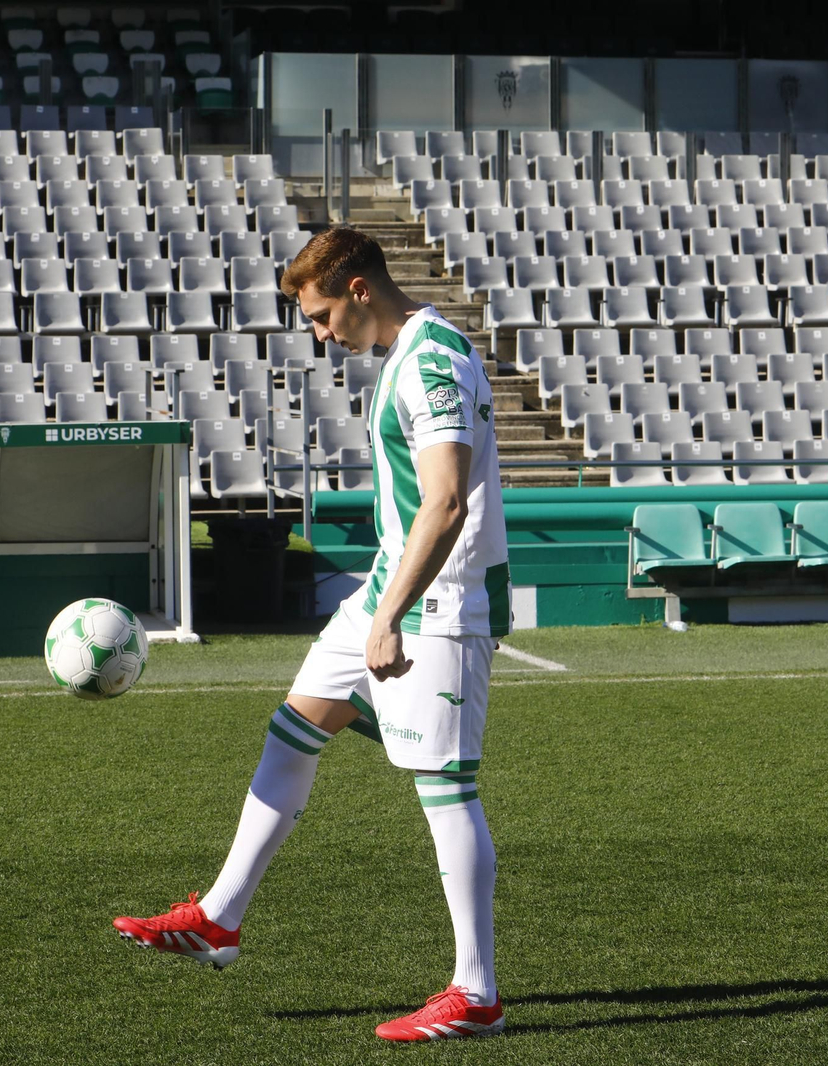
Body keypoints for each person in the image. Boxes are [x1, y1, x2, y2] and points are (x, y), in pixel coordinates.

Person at [114, 228, 511, 1042]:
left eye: (325, 315)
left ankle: (477, 994)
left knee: (445, 789)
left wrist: (392, 616)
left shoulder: (432, 359)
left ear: (360, 289)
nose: (322, 336)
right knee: (294, 727)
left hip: (441, 603)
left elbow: (446, 504)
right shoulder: (413, 350)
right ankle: (219, 918)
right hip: (389, 585)